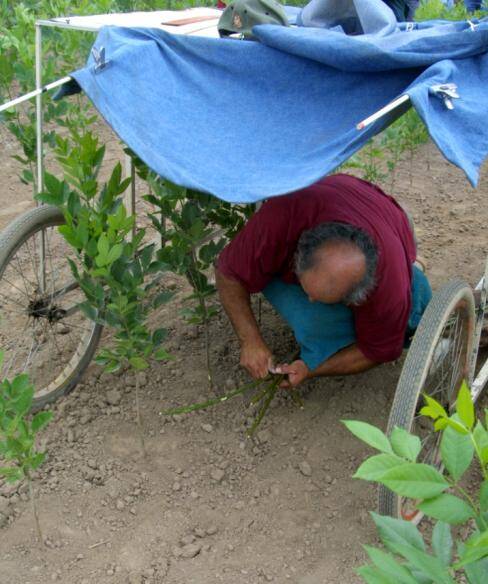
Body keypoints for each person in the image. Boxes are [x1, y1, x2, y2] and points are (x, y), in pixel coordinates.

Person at [215, 174, 432, 388]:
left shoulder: (386, 281)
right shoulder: (281, 218)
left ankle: (412, 266)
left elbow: (376, 351)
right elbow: (228, 273)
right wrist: (250, 340)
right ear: (298, 253)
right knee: (309, 318)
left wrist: (312, 369)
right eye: (306, 287)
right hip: (341, 195)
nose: (308, 299)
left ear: (360, 293)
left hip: (386, 227)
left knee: (403, 308)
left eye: (323, 298)